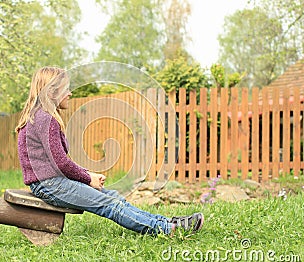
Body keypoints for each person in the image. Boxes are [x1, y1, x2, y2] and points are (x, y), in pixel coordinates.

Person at [15, 66, 204, 236]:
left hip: (52, 182)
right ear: (52, 91)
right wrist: (88, 179)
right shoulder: (45, 119)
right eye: (66, 89)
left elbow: (59, 161)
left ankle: (165, 222)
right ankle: (167, 230)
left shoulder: (40, 117)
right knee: (110, 205)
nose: (70, 93)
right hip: (50, 185)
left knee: (111, 196)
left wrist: (87, 174)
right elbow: (61, 163)